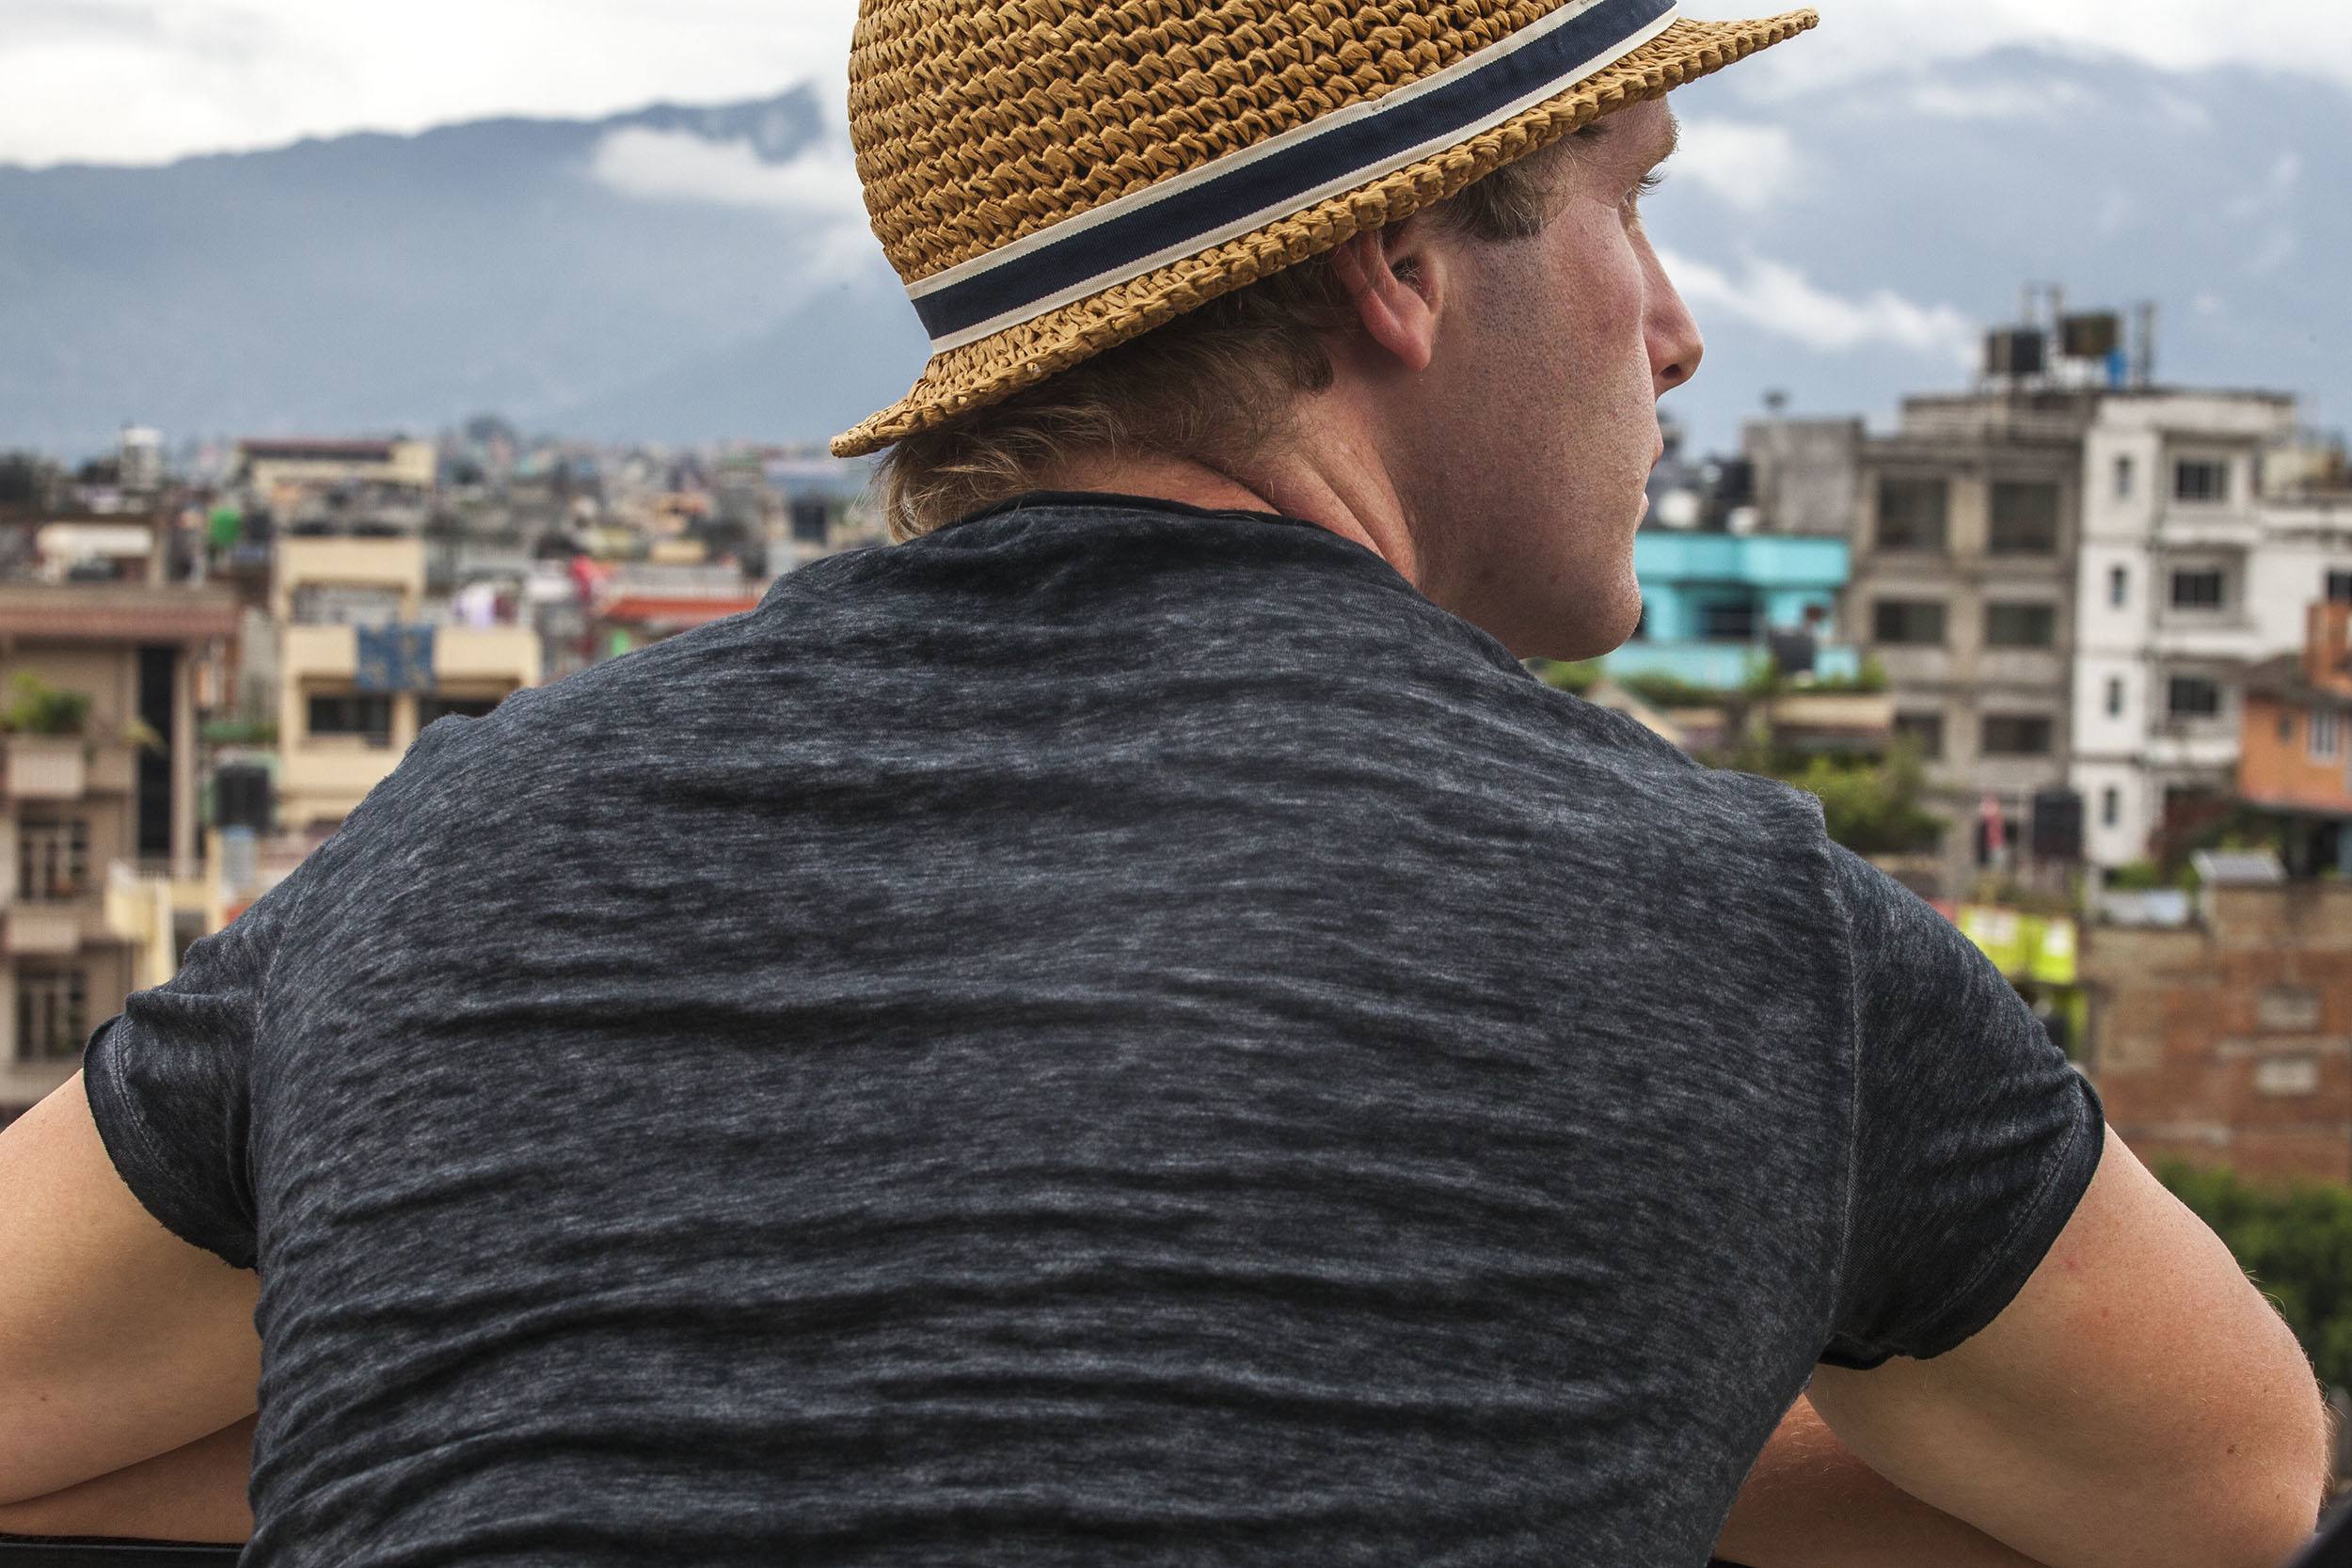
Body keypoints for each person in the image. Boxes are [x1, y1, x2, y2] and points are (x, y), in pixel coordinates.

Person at [0, 3, 2333, 1564]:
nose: (1676, 320)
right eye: (1633, 195)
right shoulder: (1719, 927)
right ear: (1403, 258)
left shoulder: (442, 860)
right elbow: (2223, 1483)